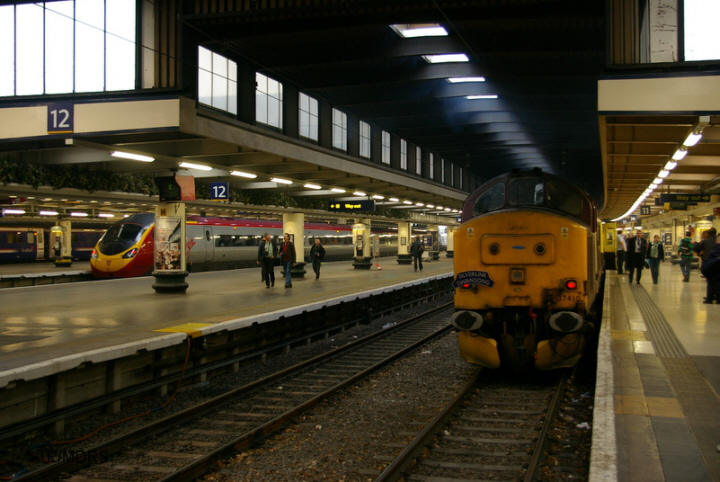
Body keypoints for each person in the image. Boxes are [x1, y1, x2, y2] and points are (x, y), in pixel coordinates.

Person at [694, 227, 717, 301]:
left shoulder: (705, 241)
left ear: (708, 234)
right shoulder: (717, 241)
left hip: (708, 263)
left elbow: (697, 248)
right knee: (718, 281)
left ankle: (709, 297)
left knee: (710, 281)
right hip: (718, 263)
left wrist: (695, 243)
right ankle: (717, 296)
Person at [700, 237, 720, 304]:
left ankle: (709, 299)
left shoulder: (715, 247)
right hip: (716, 267)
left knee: (711, 283)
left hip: (711, 268)